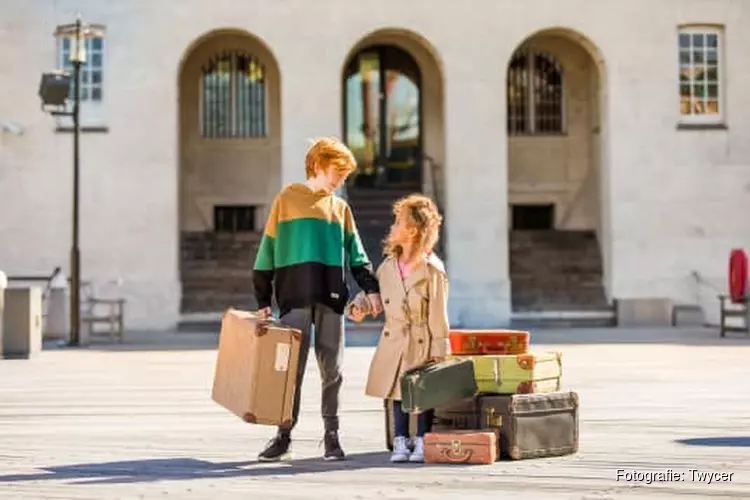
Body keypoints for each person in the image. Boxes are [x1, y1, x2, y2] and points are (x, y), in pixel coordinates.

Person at [253, 137, 383, 462]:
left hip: (332, 299)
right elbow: (266, 252)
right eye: (338, 172)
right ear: (319, 165)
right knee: (289, 372)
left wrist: (371, 288)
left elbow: (357, 255)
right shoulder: (286, 200)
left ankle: (332, 437)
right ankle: (283, 436)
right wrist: (262, 298)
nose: (342, 180)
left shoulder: (340, 209)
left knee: (333, 370)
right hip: (293, 299)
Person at [348, 194, 450, 463]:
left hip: (421, 340)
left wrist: (440, 346)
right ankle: (400, 440)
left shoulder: (432, 271)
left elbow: (439, 312)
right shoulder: (388, 267)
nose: (392, 227)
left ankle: (422, 439)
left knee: (423, 391)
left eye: (398, 222)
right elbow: (375, 295)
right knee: (396, 391)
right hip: (394, 341)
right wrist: (359, 306)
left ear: (412, 231)